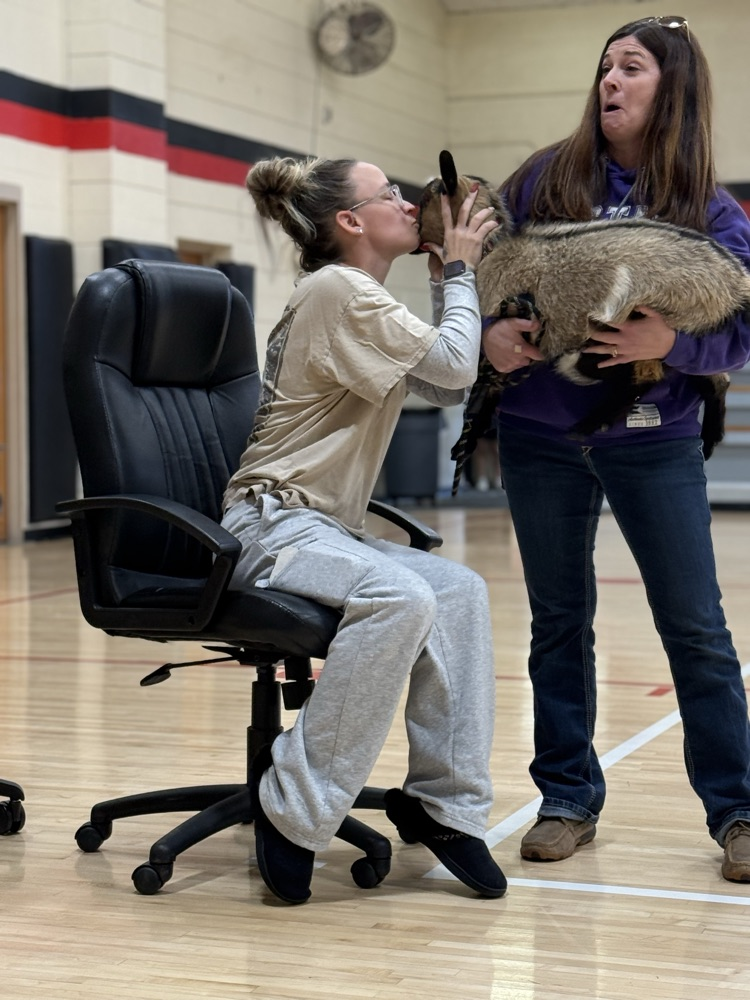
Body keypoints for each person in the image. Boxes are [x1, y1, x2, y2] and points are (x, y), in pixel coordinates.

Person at [481, 15, 750, 882]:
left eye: (631, 67)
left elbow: (744, 327)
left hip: (653, 440)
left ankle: (739, 810)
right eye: (605, 66)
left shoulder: (708, 208)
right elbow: (482, 270)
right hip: (538, 436)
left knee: (696, 628)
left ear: (672, 87)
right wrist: (492, 334)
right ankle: (566, 799)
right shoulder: (543, 178)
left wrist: (672, 345)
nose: (610, 80)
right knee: (558, 624)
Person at [221, 154, 506, 903]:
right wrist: (460, 270)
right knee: (401, 596)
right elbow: (455, 370)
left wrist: (448, 277)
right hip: (272, 524)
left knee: (460, 593)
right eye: (392, 195)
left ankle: (443, 806)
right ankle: (294, 808)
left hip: (324, 528)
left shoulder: (356, 295)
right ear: (350, 220)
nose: (411, 205)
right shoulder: (338, 289)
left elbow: (443, 377)